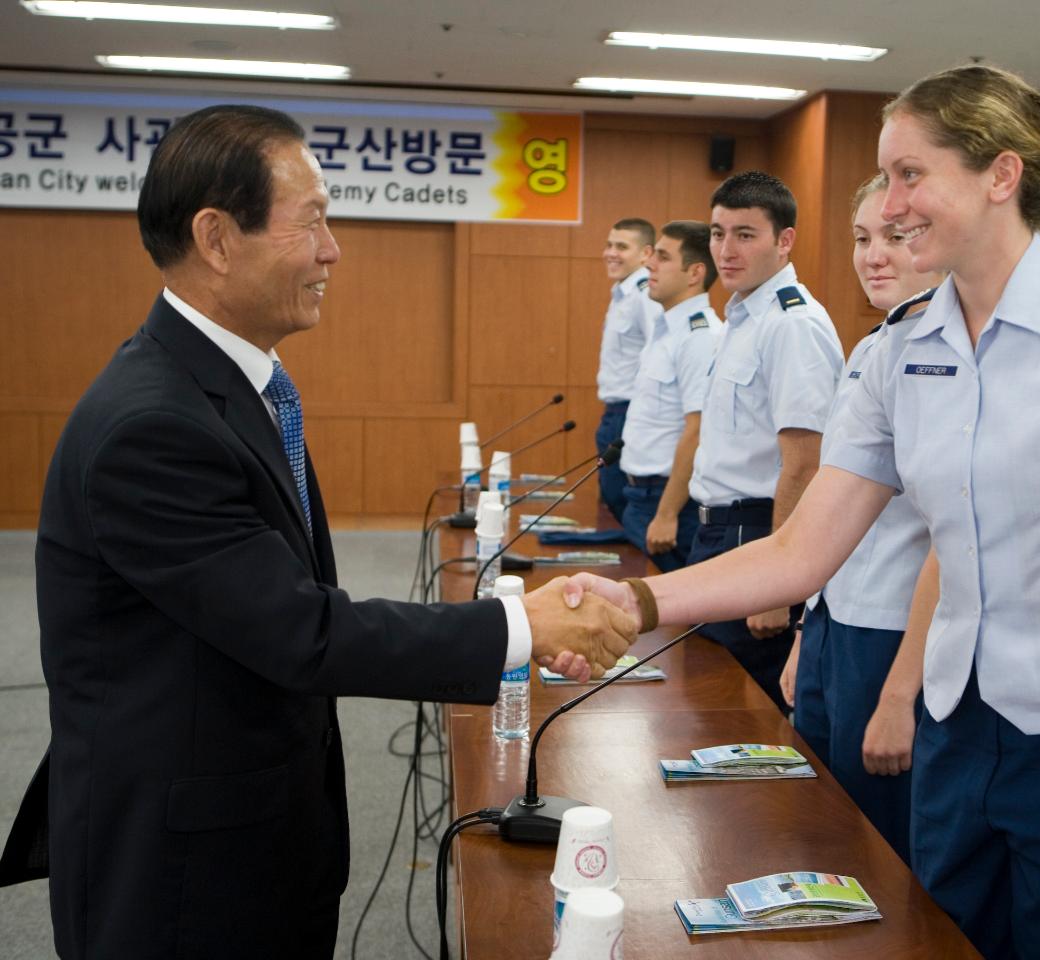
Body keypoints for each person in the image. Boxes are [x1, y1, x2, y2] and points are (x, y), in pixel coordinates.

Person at [563, 65, 1040, 960]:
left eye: (909, 175)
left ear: (1001, 175)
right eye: (885, 178)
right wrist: (638, 605)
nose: (890, 203)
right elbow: (804, 549)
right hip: (959, 733)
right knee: (944, 941)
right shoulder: (899, 349)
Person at [0, 104, 636, 960]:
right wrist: (522, 626)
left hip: (251, 827)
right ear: (217, 239)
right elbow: (301, 629)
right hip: (181, 871)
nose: (334, 248)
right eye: (314, 222)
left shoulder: (230, 388)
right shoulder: (152, 427)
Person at [778, 173, 943, 863]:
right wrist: (804, 631)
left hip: (894, 634)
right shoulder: (876, 347)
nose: (874, 255)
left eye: (896, 238)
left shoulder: (944, 361)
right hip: (835, 623)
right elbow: (832, 516)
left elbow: (951, 543)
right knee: (823, 820)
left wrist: (901, 692)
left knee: (878, 846)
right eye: (862, 238)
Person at [687, 171, 844, 712]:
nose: (725, 250)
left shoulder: (791, 325)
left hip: (755, 531)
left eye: (745, 234)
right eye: (717, 233)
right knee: (711, 699)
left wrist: (780, 584)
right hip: (716, 529)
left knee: (745, 713)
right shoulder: (741, 317)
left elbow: (805, 464)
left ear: (785, 241)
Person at [618, 220, 722, 572]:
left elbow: (698, 430)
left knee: (680, 621)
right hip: (641, 494)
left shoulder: (699, 337)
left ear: (695, 273)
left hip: (670, 501)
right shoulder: (665, 330)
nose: (649, 264)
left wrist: (666, 514)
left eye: (662, 256)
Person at [595, 218, 662, 524]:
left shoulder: (645, 295)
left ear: (646, 254)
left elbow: (659, 352)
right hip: (614, 413)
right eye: (609, 245)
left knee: (623, 505)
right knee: (612, 498)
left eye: (622, 247)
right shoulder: (621, 293)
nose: (611, 253)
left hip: (630, 413)